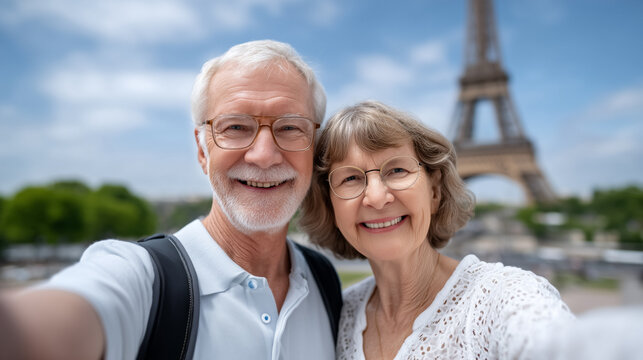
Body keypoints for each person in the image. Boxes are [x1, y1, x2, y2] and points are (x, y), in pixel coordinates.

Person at [0, 40, 340, 360]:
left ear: (315, 148)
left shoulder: (324, 280)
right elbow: (44, 325)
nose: (264, 155)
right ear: (201, 150)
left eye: (290, 128)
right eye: (235, 127)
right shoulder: (143, 281)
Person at [299, 101, 575, 359]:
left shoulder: (505, 297)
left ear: (434, 191)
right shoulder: (338, 312)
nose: (377, 197)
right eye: (350, 178)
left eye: (397, 170)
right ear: (331, 205)